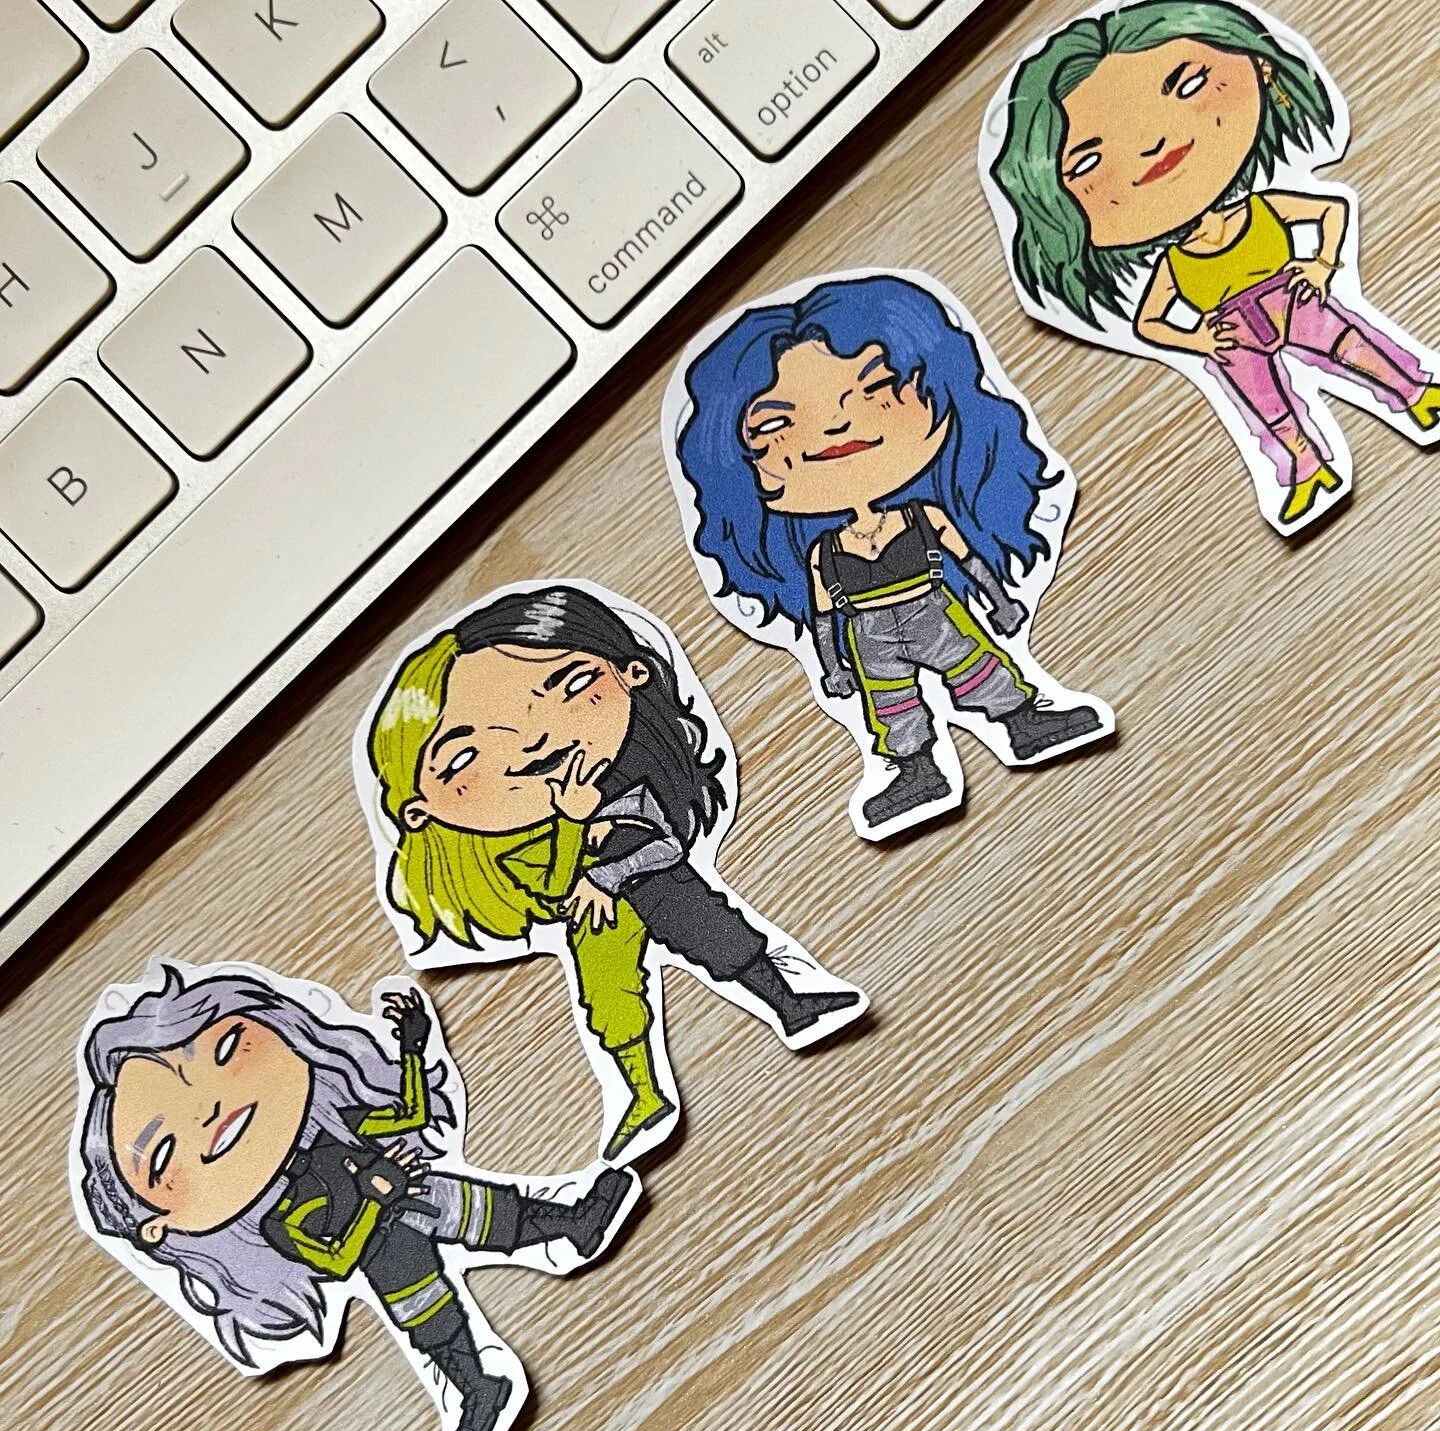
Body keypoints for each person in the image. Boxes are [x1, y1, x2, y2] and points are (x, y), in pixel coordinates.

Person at [364, 584, 867, 1164]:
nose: (534, 739)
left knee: (716, 931)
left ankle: (790, 1003)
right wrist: (572, 824)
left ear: (632, 674)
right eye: (461, 758)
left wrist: (603, 866)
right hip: (592, 918)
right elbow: (553, 887)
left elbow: (665, 846)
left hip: (655, 885)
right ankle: (642, 1094)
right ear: (419, 811)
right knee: (609, 1000)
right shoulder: (511, 848)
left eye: (572, 685)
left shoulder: (634, 783)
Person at [75, 965, 637, 1431]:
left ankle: (575, 1223)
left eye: (227, 1051)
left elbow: (411, 1113)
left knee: (500, 1214)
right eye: (163, 1151)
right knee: (433, 1322)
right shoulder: (280, 1222)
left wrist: (412, 1046)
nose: (212, 1109)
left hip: (423, 1195)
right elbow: (337, 1262)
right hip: (384, 1255)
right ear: (157, 1224)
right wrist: (371, 1198)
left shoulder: (337, 1129)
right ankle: (477, 1390)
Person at [671, 272, 1106, 832]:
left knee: (977, 668)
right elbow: (823, 615)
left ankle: (1022, 720)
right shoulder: (823, 553)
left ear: (938, 391)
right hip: (867, 632)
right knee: (891, 704)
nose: (835, 425)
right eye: (778, 424)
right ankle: (916, 770)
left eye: (874, 388)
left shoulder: (922, 517)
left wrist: (998, 603)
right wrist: (832, 667)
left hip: (932, 610)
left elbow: (966, 558)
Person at [987, 0, 1440, 528]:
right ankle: (1304, 469)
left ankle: (1415, 392)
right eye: (1089, 161)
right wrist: (1198, 339)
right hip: (1230, 334)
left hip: (1292, 297)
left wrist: (1321, 264)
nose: (1152, 144)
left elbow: (1328, 211)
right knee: (1264, 404)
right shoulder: (1175, 264)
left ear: (1261, 67)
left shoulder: (1260, 208)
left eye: (1189, 84)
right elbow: (1148, 321)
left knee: (1351, 346)